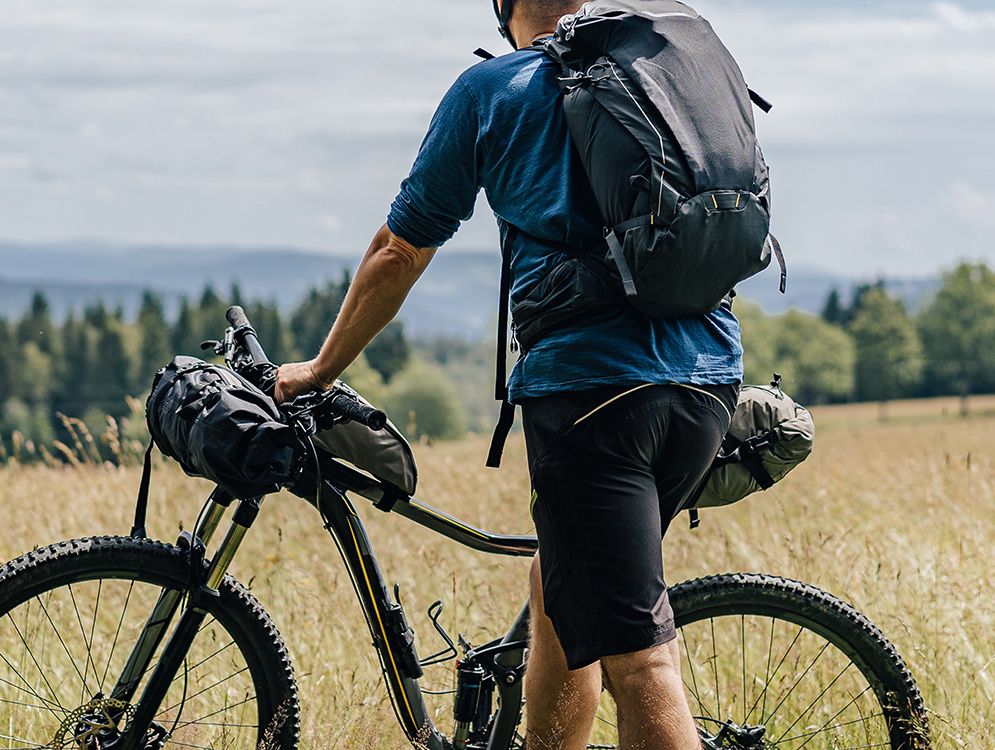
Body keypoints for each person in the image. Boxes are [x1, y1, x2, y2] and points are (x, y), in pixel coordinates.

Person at [273, 0, 742, 748]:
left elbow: (400, 249)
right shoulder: (658, 64)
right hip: (709, 378)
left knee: (640, 662)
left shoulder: (493, 90)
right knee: (559, 589)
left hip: (594, 397)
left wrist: (322, 368)